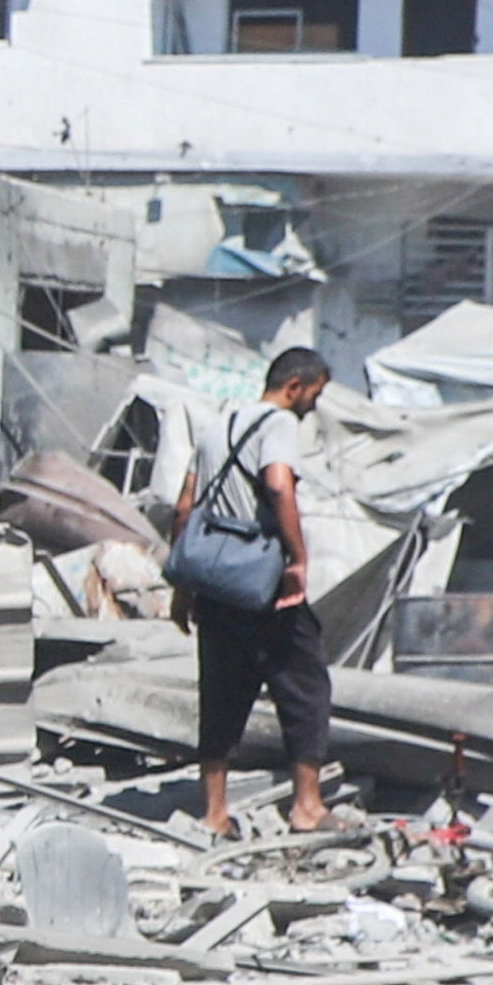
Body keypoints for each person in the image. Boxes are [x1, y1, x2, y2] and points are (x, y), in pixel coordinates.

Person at [189, 347, 336, 838]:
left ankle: (213, 812)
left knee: (221, 693)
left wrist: (183, 584)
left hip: (215, 581)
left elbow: (185, 504)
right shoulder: (278, 424)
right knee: (305, 685)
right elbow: (278, 486)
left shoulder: (217, 424)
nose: (312, 407)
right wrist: (297, 559)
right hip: (262, 579)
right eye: (313, 395)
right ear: (294, 386)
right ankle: (307, 806)